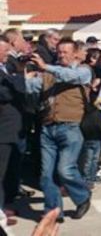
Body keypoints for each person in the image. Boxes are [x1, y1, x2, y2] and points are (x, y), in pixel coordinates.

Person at [24, 38, 92, 221]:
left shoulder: (83, 71)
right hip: (48, 127)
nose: (61, 55)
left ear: (76, 53)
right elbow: (31, 87)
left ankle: (82, 197)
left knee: (65, 169)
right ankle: (53, 211)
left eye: (65, 52)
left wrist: (46, 67)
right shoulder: (48, 73)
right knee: (46, 174)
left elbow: (70, 77)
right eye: (59, 52)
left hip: (70, 127)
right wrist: (20, 77)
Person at [0, 37, 26, 216]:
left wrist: (17, 78)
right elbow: (7, 93)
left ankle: (2, 206)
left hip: (11, 128)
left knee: (7, 171)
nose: (7, 55)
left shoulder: (7, 68)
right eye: (4, 51)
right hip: (3, 129)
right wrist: (19, 81)